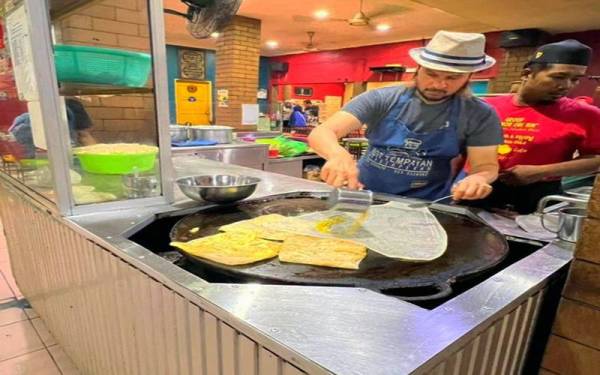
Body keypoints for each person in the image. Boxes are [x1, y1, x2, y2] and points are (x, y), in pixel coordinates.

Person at [308, 30, 503, 201]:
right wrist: (338, 154)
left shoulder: (479, 114)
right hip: (363, 193)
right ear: (418, 69)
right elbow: (322, 132)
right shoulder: (382, 99)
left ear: (469, 76)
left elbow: (485, 165)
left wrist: (478, 178)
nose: (438, 84)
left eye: (452, 78)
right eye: (432, 74)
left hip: (427, 203)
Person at [481, 39, 600, 214]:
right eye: (558, 77)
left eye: (575, 79)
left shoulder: (586, 114)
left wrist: (541, 171)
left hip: (537, 196)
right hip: (478, 189)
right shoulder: (488, 107)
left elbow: (596, 159)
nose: (566, 85)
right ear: (527, 73)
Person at [9, 98, 96, 159]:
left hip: (29, 162)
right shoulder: (72, 106)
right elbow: (85, 136)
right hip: (62, 162)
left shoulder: (27, 115)